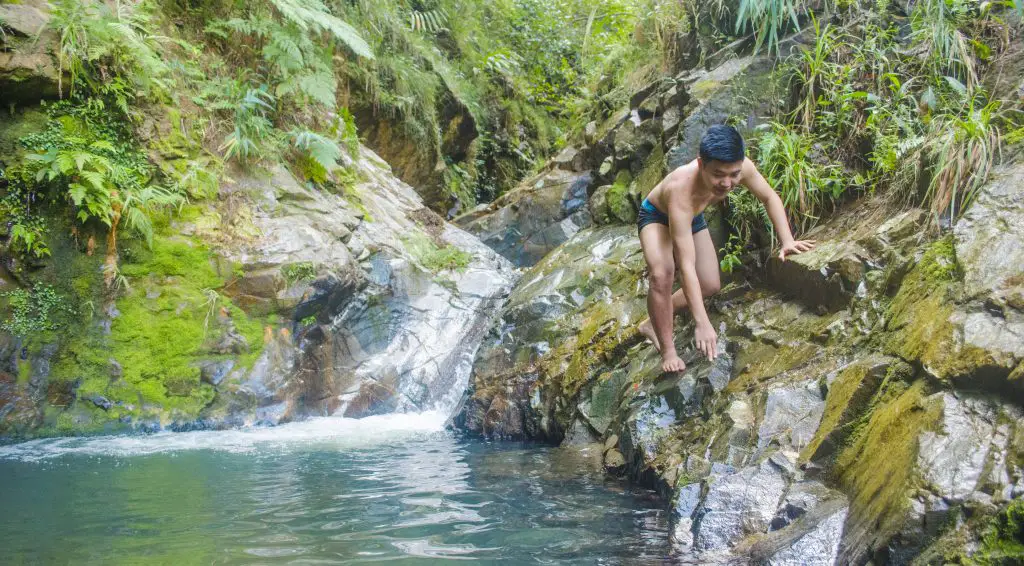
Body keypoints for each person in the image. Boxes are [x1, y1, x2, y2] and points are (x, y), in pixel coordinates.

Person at [636, 124, 816, 372]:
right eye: (718, 174)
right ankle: (668, 351)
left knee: (710, 284)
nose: (727, 183)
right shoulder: (681, 190)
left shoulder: (742, 167)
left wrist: (787, 240)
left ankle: (652, 320)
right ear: (701, 164)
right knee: (662, 273)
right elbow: (685, 265)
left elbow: (769, 197)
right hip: (657, 215)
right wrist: (702, 322)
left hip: (692, 215)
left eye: (734, 174)